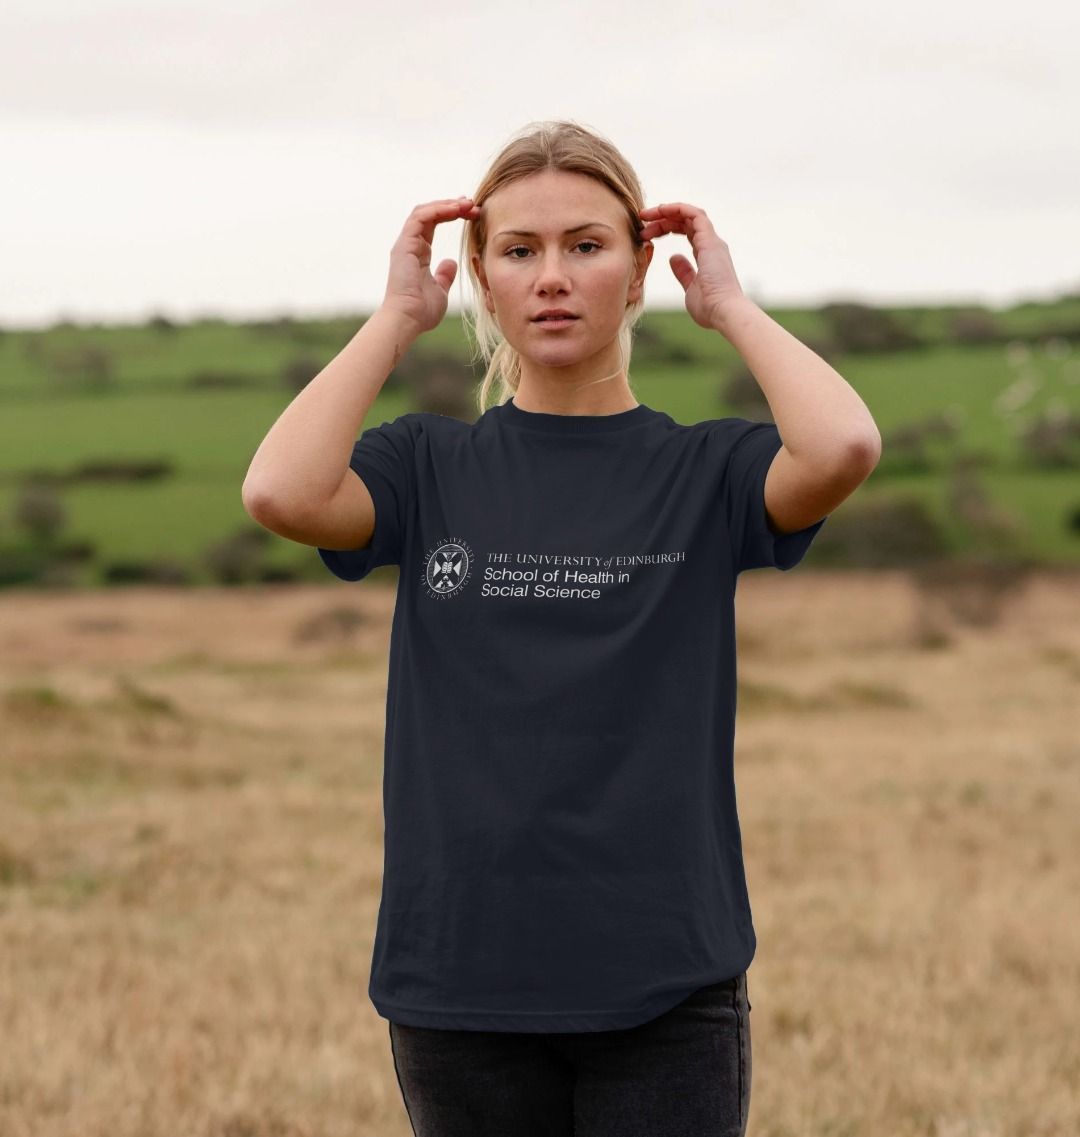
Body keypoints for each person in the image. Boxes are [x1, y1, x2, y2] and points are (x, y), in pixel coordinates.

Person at [242, 119, 881, 1137]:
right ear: (482, 278)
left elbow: (844, 442)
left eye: (587, 246)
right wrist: (399, 315)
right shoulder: (426, 468)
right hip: (459, 979)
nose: (552, 276)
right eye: (519, 250)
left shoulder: (708, 472)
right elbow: (279, 490)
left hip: (666, 984)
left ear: (637, 274)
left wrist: (727, 304)